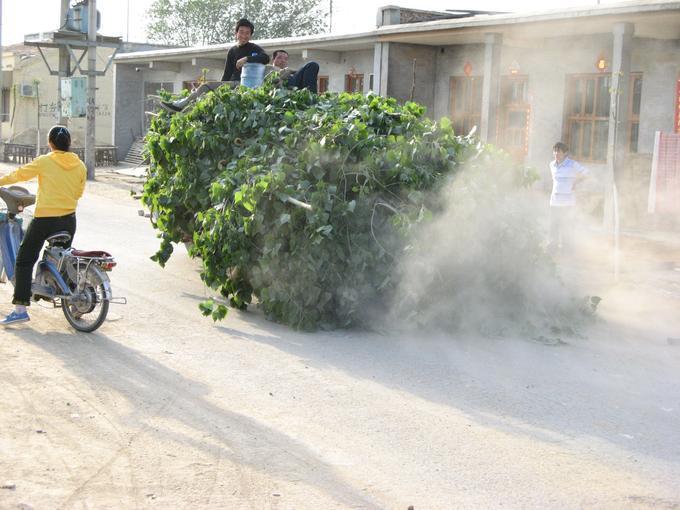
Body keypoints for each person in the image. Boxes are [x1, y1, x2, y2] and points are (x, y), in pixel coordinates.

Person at [0, 125, 86, 325]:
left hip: (45, 220)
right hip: (68, 219)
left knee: (24, 260)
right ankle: (73, 302)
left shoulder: (45, 161)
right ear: (69, 143)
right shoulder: (80, 165)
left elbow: (19, 175)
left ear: (50, 144)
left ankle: (20, 308)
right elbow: (78, 193)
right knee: (64, 260)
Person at [161, 18, 269, 113]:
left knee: (205, 86)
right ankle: (184, 105)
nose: (244, 36)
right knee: (207, 89)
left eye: (247, 33)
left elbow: (265, 58)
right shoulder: (232, 51)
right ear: (236, 33)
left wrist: (247, 59)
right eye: (241, 32)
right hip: (231, 84)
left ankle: (180, 105)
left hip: (244, 85)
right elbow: (226, 74)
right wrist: (219, 87)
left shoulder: (254, 48)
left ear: (251, 35)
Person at [548, 141, 588, 253]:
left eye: (559, 151)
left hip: (568, 202)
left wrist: (576, 182)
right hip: (554, 201)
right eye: (555, 151)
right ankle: (553, 247)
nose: (556, 153)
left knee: (567, 226)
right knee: (553, 226)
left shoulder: (572, 164)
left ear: (565, 153)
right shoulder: (551, 165)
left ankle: (567, 249)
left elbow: (586, 173)